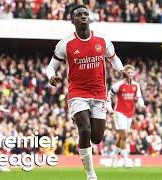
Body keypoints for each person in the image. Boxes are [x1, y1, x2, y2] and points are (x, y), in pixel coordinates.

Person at [46, 5, 128, 180]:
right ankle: (91, 174)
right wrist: (51, 76)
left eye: (85, 14)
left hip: (99, 93)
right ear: (72, 20)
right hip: (77, 92)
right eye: (78, 15)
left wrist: (121, 71)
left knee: (96, 138)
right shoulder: (66, 44)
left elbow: (114, 59)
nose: (83, 16)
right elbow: (51, 66)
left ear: (89, 18)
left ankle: (82, 128)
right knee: (84, 130)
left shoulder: (102, 40)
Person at [107, 65, 145, 168]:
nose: (130, 74)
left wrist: (142, 105)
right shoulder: (118, 85)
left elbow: (139, 98)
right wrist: (109, 109)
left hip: (130, 114)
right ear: (124, 74)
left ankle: (114, 157)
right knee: (124, 135)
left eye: (132, 73)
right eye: (128, 72)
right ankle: (125, 160)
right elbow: (108, 95)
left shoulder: (136, 86)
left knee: (121, 137)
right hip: (119, 112)